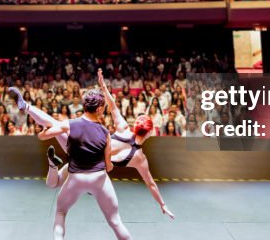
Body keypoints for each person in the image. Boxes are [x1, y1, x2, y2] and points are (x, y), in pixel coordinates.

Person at [29, 85, 154, 240]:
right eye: (103, 107)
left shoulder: (70, 124)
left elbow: (42, 135)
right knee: (115, 221)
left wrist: (50, 133)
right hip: (99, 178)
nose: (103, 109)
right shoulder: (105, 132)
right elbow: (108, 165)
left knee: (61, 212)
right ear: (97, 109)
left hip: (76, 177)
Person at [35, 70, 175, 220]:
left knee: (57, 128)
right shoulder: (140, 158)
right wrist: (162, 204)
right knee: (57, 133)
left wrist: (103, 86)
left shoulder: (123, 127)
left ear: (136, 126)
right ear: (148, 133)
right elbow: (151, 184)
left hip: (82, 153)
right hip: (93, 171)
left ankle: (32, 113)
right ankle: (37, 122)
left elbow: (113, 106)